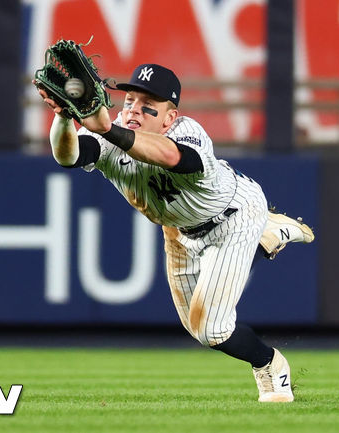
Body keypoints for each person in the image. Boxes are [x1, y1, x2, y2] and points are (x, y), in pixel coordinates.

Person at [35, 63, 314, 402]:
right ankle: (270, 234)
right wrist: (64, 117)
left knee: (213, 329)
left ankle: (270, 364)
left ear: (169, 118)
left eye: (147, 105)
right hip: (179, 231)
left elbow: (170, 155)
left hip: (233, 217)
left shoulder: (186, 131)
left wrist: (107, 129)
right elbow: (69, 156)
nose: (134, 110)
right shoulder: (109, 134)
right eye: (129, 101)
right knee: (199, 330)